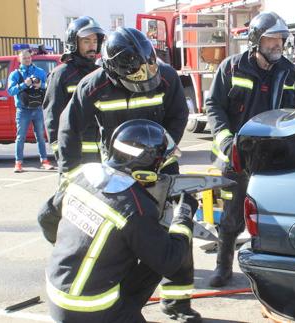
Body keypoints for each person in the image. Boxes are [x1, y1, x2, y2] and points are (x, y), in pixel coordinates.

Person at [56, 27, 200, 322]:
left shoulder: (166, 76)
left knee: (174, 233)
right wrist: (70, 177)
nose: (146, 79)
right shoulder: (92, 86)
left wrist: (162, 150)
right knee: (123, 240)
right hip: (120, 172)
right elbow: (68, 130)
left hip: (160, 165)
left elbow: (178, 117)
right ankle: (121, 297)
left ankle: (177, 302)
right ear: (112, 68)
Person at [38, 119, 197, 323]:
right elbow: (170, 261)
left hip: (56, 293)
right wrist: (183, 215)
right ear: (147, 165)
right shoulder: (135, 207)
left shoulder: (83, 177)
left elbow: (45, 218)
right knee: (161, 253)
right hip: (90, 309)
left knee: (150, 255)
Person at [206, 11, 295, 287]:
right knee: (231, 216)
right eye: (271, 39)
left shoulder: (290, 72)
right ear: (256, 40)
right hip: (238, 157)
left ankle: (267, 274)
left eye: (281, 39)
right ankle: (223, 267)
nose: (278, 44)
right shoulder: (231, 68)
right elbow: (214, 107)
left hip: (274, 159)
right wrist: (226, 142)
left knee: (270, 218)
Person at [44, 16, 105, 162]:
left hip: (103, 158)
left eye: (95, 41)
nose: (92, 46)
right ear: (74, 43)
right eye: (86, 41)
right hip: (76, 159)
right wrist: (63, 157)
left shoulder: (102, 73)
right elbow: (52, 118)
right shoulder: (61, 74)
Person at [7, 50, 53, 173]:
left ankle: (44, 161)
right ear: (19, 60)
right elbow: (10, 91)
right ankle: (18, 163)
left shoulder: (40, 72)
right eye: (24, 58)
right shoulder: (15, 74)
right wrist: (24, 84)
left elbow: (50, 86)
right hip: (23, 110)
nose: (27, 60)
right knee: (20, 137)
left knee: (41, 137)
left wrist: (40, 85)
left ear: (31, 58)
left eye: (28, 58)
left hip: (37, 108)